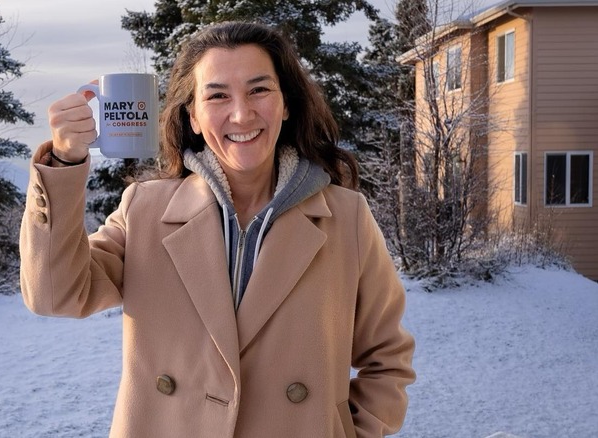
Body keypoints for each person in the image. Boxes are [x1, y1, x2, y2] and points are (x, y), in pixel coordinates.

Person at [20, 21, 415, 438]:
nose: (241, 113)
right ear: (192, 115)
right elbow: (55, 294)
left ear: (286, 104)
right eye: (217, 95)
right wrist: (63, 163)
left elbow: (387, 359)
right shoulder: (145, 210)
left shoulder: (347, 218)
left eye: (259, 90)